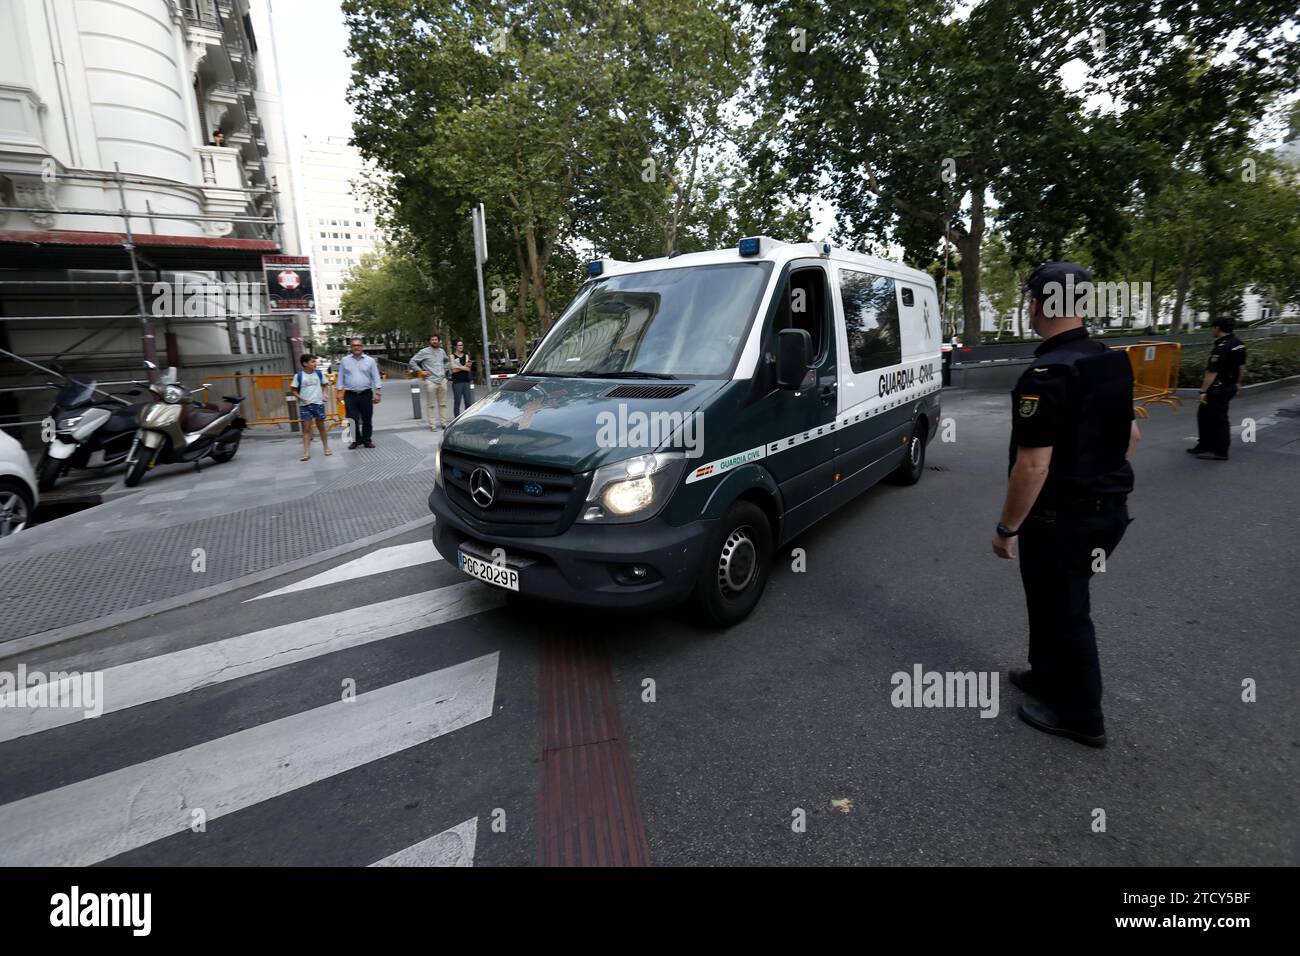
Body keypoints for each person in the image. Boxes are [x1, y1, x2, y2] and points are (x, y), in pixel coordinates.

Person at [992, 261, 1140, 748]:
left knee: (1067, 611)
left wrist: (1008, 528)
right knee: (1051, 600)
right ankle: (1045, 674)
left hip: (1063, 520)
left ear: (1037, 304)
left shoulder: (1046, 374)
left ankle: (1082, 716)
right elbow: (1131, 436)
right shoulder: (1110, 360)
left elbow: (1032, 466)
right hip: (1106, 510)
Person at [1188, 317, 1246, 461]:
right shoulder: (1238, 344)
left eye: (1212, 327)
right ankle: (1204, 445)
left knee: (1218, 419)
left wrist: (1203, 391)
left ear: (1217, 328)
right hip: (1230, 386)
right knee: (1204, 415)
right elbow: (1242, 367)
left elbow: (1211, 372)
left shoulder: (1221, 348)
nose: (1211, 330)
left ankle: (1220, 451)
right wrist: (1238, 383)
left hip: (1218, 389)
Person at [339, 337, 381, 448]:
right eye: (354, 345)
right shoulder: (345, 360)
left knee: (367, 418)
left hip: (366, 393)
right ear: (351, 347)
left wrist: (378, 393)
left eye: (358, 345)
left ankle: (367, 440)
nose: (356, 347)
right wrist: (339, 391)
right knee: (351, 419)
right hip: (350, 394)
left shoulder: (370, 360)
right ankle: (356, 440)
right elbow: (340, 377)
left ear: (362, 347)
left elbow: (376, 377)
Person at [290, 353, 332, 461]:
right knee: (306, 429)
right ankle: (306, 452)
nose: (315, 363)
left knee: (321, 427)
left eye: (315, 361)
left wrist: (324, 393)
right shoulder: (298, 376)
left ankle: (326, 448)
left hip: (318, 404)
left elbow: (325, 384)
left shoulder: (318, 373)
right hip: (305, 406)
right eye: (312, 361)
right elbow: (293, 390)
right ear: (305, 363)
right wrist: (301, 398)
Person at [408, 333, 449, 430]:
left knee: (443, 404)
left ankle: (444, 423)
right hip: (431, 381)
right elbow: (412, 362)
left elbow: (447, 361)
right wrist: (421, 371)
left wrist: (445, 368)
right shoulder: (424, 352)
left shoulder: (442, 351)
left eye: (436, 339)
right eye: (432, 340)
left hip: (442, 380)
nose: (434, 341)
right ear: (430, 341)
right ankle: (432, 425)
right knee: (431, 405)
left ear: (439, 341)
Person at [450, 340, 474, 417]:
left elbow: (468, 369)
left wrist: (457, 366)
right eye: (459, 345)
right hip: (457, 382)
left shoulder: (466, 356)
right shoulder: (452, 356)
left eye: (462, 345)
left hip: (466, 382)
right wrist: (464, 367)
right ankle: (456, 419)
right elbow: (453, 370)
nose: (461, 347)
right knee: (457, 402)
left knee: (468, 402)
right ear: (455, 346)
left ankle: (466, 417)